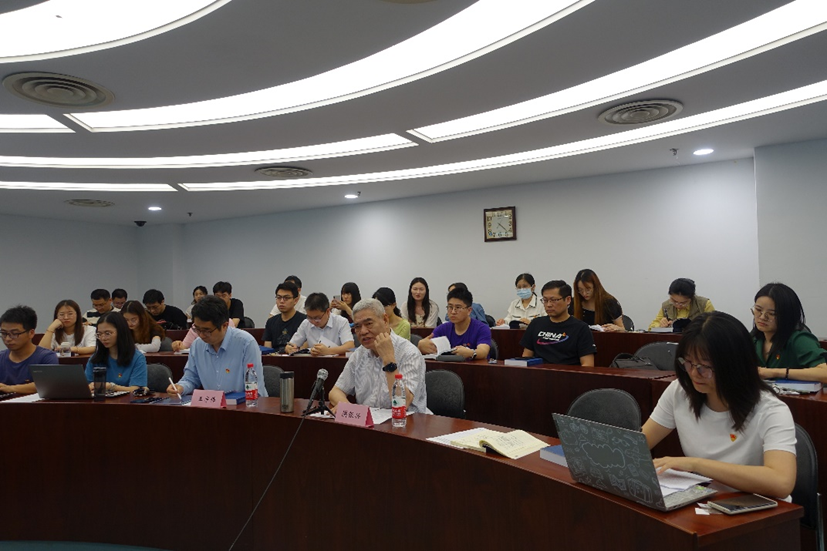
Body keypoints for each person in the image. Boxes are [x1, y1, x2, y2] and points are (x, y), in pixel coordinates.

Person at [642, 312, 796, 499]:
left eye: (704, 367)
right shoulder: (680, 391)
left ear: (734, 365)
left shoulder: (771, 410)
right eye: (688, 363)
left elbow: (781, 482)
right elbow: (638, 444)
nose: (694, 373)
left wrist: (696, 464)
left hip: (759, 508)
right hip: (708, 501)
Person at [330, 298, 427, 413]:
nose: (363, 331)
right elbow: (336, 391)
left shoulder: (409, 353)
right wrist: (349, 408)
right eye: (357, 326)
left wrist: (388, 359)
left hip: (406, 421)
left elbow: (402, 403)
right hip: (369, 421)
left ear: (385, 320)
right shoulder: (358, 354)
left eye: (369, 324)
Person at [167, 296, 266, 396]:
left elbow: (255, 388)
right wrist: (181, 387)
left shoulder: (246, 343)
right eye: (197, 329)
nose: (201, 335)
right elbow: (191, 378)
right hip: (213, 404)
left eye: (207, 331)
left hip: (244, 403)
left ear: (224, 326)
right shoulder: (197, 345)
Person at [751, 282, 827, 383]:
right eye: (758, 310)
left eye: (772, 314)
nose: (762, 317)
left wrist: (776, 373)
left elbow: (824, 373)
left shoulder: (800, 339)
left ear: (786, 315)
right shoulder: (755, 338)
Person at [520, 280, 595, 366]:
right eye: (545, 300)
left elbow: (588, 365)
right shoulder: (536, 324)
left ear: (568, 300)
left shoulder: (581, 328)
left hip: (566, 373)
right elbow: (526, 357)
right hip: (538, 372)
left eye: (554, 300)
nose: (548, 305)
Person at [418, 287, 491, 360]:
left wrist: (471, 353)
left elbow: (483, 351)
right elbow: (429, 345)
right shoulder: (442, 329)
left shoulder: (481, 328)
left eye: (458, 307)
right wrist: (421, 346)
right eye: (450, 307)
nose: (453, 312)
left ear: (469, 310)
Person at [0, 305, 58, 395]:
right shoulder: (1, 357)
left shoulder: (46, 357)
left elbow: (47, 383)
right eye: (4, 333)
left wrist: (10, 388)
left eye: (14, 333)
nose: (7, 339)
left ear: (31, 333)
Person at [84, 311, 147, 392]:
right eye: (99, 334)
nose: (103, 338)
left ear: (121, 332)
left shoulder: (137, 358)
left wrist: (111, 387)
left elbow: (137, 389)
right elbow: (86, 386)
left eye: (107, 333)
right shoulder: (95, 359)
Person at [285, 293, 355, 356]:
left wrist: (328, 351)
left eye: (317, 318)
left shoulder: (341, 322)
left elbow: (350, 346)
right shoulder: (306, 323)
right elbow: (292, 344)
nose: (313, 321)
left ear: (327, 311)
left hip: (336, 362)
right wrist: (289, 348)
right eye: (310, 317)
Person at [648, 278, 714, 329]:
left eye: (683, 303)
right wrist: (660, 325)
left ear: (692, 298)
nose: (678, 305)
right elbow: (651, 327)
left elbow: (713, 326)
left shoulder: (704, 304)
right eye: (674, 301)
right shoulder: (666, 305)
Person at [263, 282, 306, 353]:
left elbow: (303, 350)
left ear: (295, 300)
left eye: (286, 298)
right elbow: (267, 350)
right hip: (275, 358)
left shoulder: (304, 321)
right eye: (279, 297)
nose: (282, 301)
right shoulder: (271, 321)